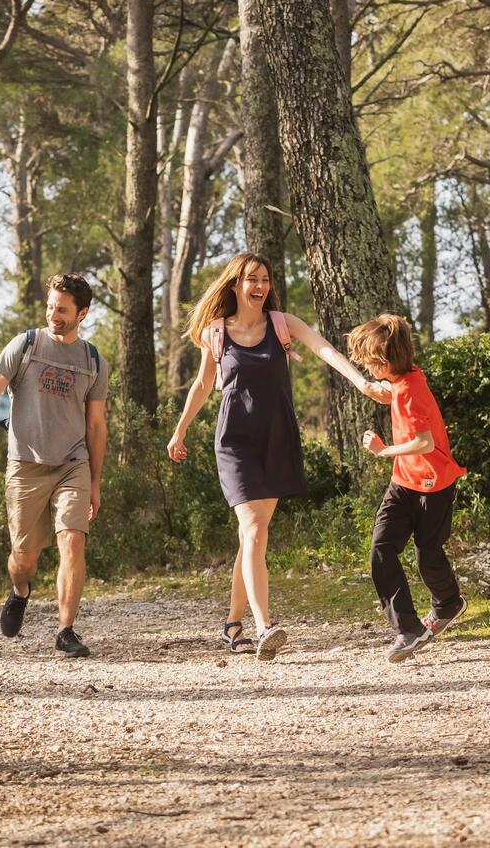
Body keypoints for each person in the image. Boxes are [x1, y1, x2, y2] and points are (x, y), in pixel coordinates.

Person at [165, 252, 389, 659]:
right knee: (252, 528)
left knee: (253, 535)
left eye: (265, 279)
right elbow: (201, 385)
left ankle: (233, 625)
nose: (260, 286)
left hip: (276, 438)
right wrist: (179, 430)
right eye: (252, 279)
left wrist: (363, 384)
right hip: (234, 441)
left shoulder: (282, 325)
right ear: (235, 284)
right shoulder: (218, 332)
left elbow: (324, 350)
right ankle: (265, 626)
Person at [0, 274, 108, 659]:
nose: (54, 314)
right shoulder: (26, 345)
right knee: (24, 559)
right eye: (51, 307)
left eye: (63, 310)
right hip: (26, 465)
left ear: (82, 313)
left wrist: (96, 481)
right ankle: (21, 592)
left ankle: (65, 629)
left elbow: (97, 425)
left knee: (72, 540)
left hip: (73, 463)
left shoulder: (93, 360)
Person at [348, 314, 468, 663]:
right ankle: (408, 629)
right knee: (381, 550)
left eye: (370, 363)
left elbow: (424, 442)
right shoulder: (405, 379)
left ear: (384, 362)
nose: (367, 367)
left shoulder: (412, 390)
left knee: (427, 553)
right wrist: (377, 390)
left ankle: (448, 603)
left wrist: (384, 450)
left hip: (434, 486)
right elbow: (395, 394)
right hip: (403, 483)